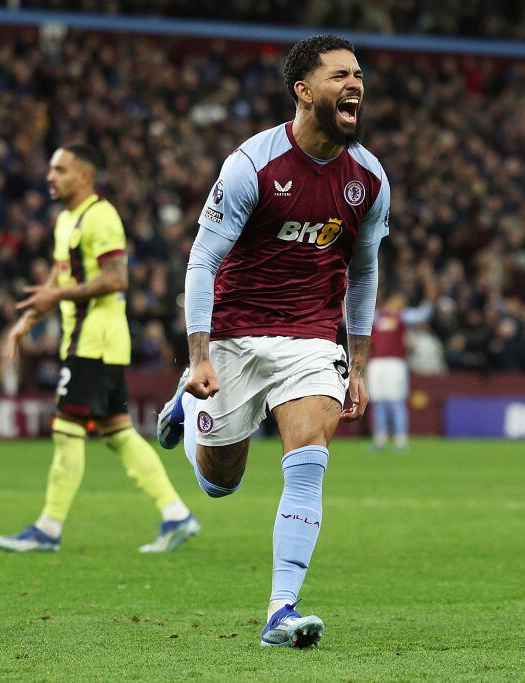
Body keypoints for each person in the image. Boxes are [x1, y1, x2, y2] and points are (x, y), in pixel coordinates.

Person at [157, 35, 389, 648]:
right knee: (220, 481)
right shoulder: (251, 165)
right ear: (304, 90)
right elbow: (202, 261)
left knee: (308, 460)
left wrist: (358, 364)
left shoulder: (368, 177)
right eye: (341, 74)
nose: (356, 84)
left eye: (359, 74)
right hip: (234, 334)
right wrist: (200, 358)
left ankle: (281, 610)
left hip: (311, 338)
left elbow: (363, 272)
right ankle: (187, 404)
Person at [0, 143, 199, 554]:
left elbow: (116, 278)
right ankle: (176, 514)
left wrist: (59, 296)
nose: (50, 176)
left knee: (66, 430)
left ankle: (48, 529)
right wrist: (25, 322)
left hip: (96, 341)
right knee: (118, 433)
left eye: (60, 170)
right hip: (90, 341)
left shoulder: (101, 217)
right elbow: (56, 281)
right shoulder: (65, 220)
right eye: (51, 169)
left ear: (85, 176)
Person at [367, 291, 422, 451]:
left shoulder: (403, 316)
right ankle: (380, 438)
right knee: (378, 401)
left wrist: (430, 300)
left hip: (396, 364)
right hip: (377, 363)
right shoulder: (377, 316)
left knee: (397, 401)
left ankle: (400, 439)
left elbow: (421, 315)